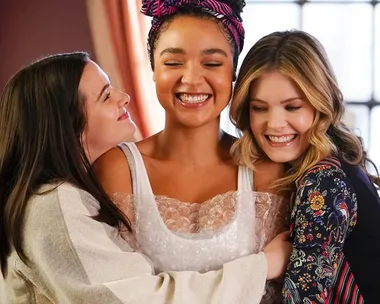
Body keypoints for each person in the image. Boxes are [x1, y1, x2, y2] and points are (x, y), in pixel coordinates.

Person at [0, 51, 289, 304]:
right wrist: (264, 265)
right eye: (106, 95)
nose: (123, 97)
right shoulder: (52, 206)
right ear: (67, 124)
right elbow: (143, 299)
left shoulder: (67, 195)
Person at [94, 0, 291, 301]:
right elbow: (111, 291)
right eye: (173, 63)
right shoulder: (118, 169)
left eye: (212, 63)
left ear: (233, 74)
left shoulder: (265, 168)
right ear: (153, 70)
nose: (192, 79)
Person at [230, 30, 380, 303]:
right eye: (260, 108)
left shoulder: (324, 181)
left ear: (319, 104)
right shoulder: (337, 162)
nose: (274, 123)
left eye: (292, 107)